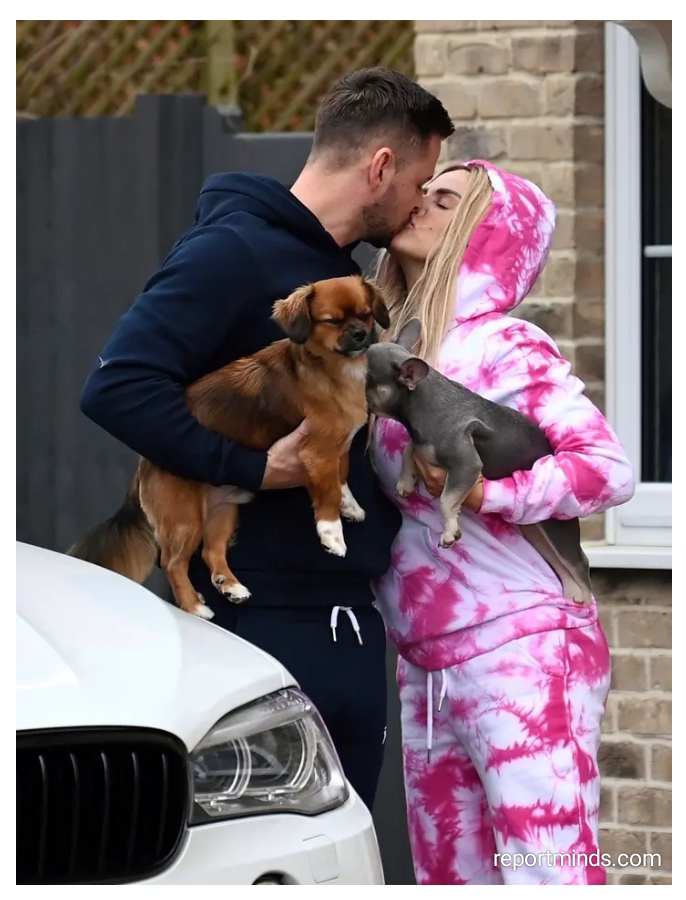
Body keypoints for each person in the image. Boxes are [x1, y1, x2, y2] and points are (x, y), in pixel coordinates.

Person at [78, 68, 454, 812]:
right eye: (420, 182)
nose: (418, 201)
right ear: (380, 167)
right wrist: (252, 468)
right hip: (261, 627)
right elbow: (116, 385)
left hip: (344, 623)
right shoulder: (235, 252)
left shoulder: (339, 278)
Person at [370, 160, 635, 883]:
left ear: (486, 233)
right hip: (426, 666)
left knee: (550, 876)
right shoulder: (399, 354)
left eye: (445, 200)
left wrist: (488, 494)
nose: (420, 203)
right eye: (423, 190)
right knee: (450, 881)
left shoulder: (505, 345)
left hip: (525, 650)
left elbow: (606, 469)